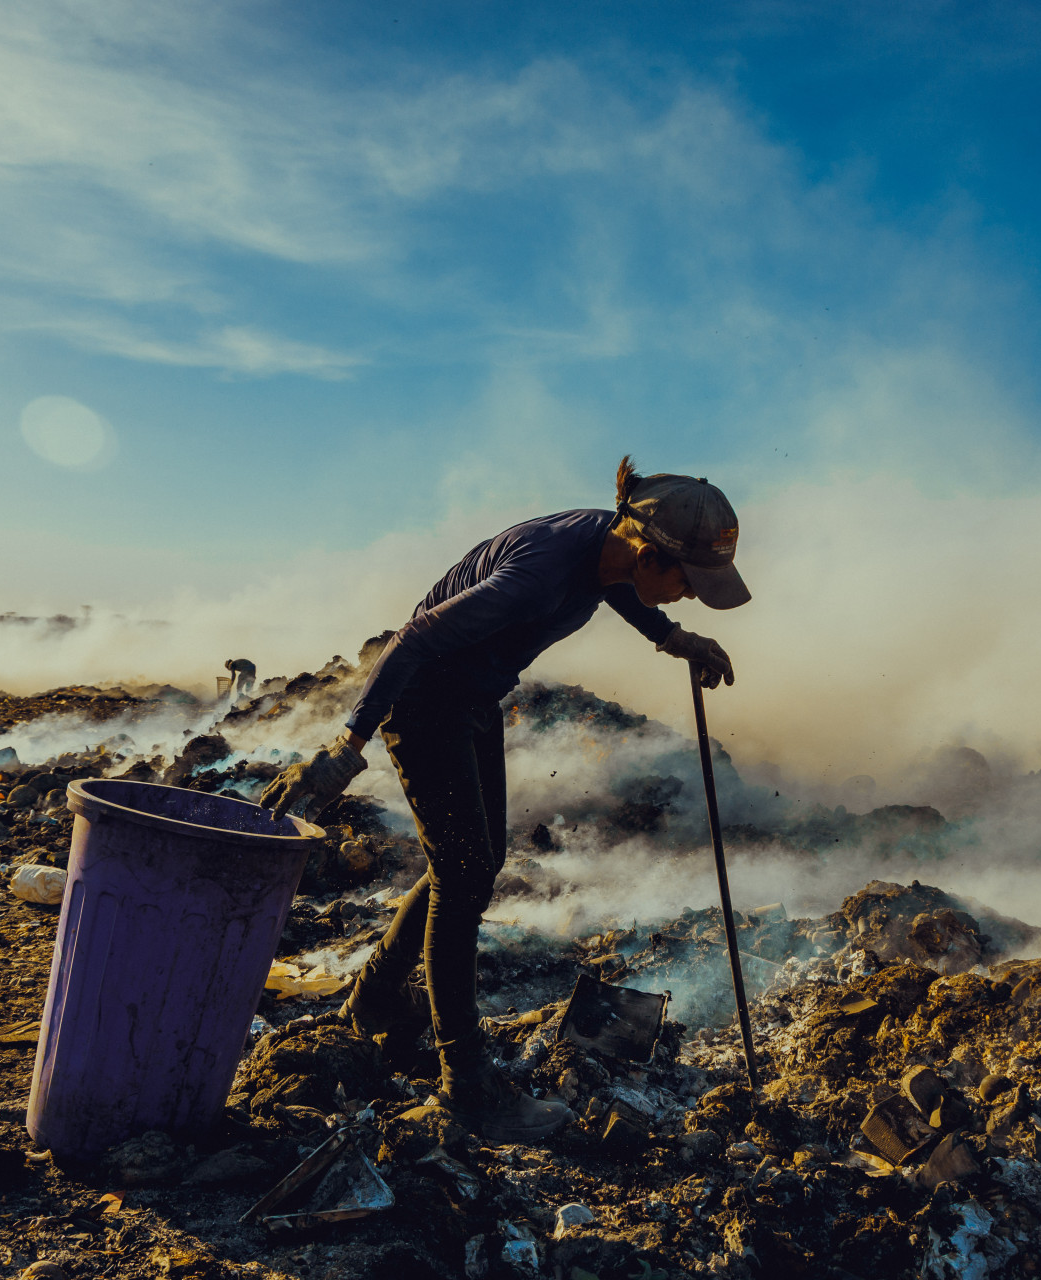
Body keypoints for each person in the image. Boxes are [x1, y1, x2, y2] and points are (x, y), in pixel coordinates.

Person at [261, 457, 748, 1141]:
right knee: (463, 879)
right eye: (687, 585)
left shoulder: (605, 549)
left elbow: (615, 589)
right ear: (647, 551)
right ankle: (467, 1087)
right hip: (428, 701)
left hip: (473, 699)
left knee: (471, 864)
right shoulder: (538, 575)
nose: (692, 595)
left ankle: (373, 1000)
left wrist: (673, 638)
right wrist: (349, 742)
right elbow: (415, 637)